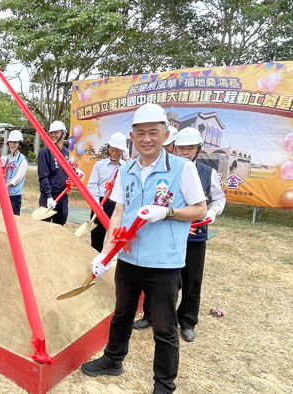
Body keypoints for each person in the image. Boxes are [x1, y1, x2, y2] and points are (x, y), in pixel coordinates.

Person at [81, 103, 207, 394]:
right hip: (128, 258)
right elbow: (118, 213)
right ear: (132, 136)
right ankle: (113, 360)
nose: (147, 138)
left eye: (154, 132)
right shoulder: (126, 169)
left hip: (163, 263)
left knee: (164, 328)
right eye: (141, 133)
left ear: (165, 135)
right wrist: (105, 252)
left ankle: (164, 384)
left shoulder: (182, 168)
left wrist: (168, 213)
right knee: (122, 313)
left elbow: (199, 210)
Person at [132, 127, 226, 343]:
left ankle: (188, 321)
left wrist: (212, 212)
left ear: (198, 150)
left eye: (190, 148)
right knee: (157, 277)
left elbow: (218, 198)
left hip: (195, 235)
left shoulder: (207, 173)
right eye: (181, 148)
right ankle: (150, 316)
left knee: (192, 280)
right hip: (168, 233)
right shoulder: (167, 170)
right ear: (174, 147)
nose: (185, 152)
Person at [86, 132, 127, 252]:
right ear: (108, 148)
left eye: (117, 151)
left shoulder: (126, 167)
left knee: (115, 238)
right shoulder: (99, 165)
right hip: (100, 204)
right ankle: (95, 263)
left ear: (122, 151)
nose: (113, 153)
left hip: (117, 206)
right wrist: (96, 205)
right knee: (97, 238)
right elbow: (92, 185)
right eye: (112, 150)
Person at [37, 120, 70, 225]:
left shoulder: (65, 152)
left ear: (64, 134)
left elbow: (63, 173)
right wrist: (49, 196)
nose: (53, 135)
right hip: (49, 197)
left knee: (59, 227)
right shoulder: (45, 152)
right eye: (51, 133)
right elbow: (43, 176)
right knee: (44, 227)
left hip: (62, 197)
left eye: (56, 132)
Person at [2, 130, 28, 215]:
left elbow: (18, 178)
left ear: (20, 144)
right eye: (10, 142)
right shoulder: (7, 158)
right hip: (5, 193)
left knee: (14, 216)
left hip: (15, 194)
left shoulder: (22, 160)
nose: (12, 144)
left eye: (15, 142)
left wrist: (6, 185)